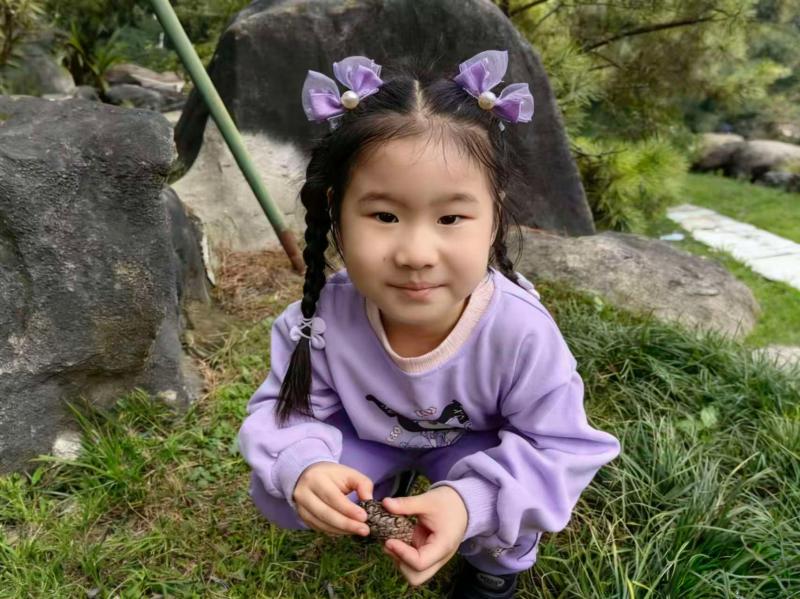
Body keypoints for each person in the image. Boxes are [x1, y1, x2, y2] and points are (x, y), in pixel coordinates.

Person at [237, 50, 620, 599]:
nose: (416, 253)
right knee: (277, 486)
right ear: (335, 210)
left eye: (450, 217)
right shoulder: (318, 320)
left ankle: (493, 572)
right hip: (372, 439)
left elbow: (561, 450)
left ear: (494, 216)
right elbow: (284, 411)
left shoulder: (521, 333)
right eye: (384, 216)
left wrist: (471, 504)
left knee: (510, 511)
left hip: (476, 450)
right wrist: (304, 467)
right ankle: (379, 493)